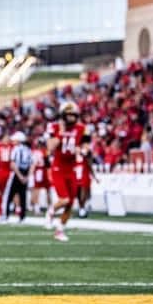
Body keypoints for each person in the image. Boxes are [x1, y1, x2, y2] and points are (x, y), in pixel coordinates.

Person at [46, 102, 88, 242]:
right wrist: (61, 133)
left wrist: (82, 150)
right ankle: (51, 211)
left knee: (70, 204)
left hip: (72, 169)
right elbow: (50, 147)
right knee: (64, 199)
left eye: (73, 115)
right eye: (68, 115)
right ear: (63, 116)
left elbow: (85, 145)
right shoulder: (55, 127)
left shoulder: (81, 128)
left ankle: (59, 231)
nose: (71, 118)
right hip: (58, 168)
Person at [3, 132, 31, 222]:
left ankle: (5, 215)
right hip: (25, 173)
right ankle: (22, 217)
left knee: (8, 196)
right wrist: (27, 176)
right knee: (23, 196)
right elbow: (32, 164)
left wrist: (19, 176)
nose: (13, 141)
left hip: (16, 174)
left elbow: (13, 164)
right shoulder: (28, 149)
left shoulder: (15, 149)